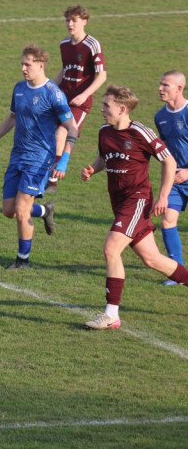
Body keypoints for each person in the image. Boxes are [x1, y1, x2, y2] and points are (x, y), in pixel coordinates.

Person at [80, 85, 188, 330]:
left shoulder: (141, 132)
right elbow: (103, 157)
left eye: (106, 105)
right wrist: (91, 169)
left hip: (137, 200)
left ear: (121, 108)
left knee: (111, 249)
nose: (101, 109)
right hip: (119, 204)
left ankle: (111, 314)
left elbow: (169, 161)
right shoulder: (104, 131)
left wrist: (163, 196)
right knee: (153, 259)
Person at [0, 44, 79, 269]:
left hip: (40, 158)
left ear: (41, 65)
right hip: (18, 155)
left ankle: (22, 260)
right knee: (9, 210)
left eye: (28, 64)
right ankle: (45, 211)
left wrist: (62, 160)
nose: (23, 68)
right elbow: (12, 117)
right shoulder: (19, 88)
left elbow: (71, 128)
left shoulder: (53, 93)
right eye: (22, 64)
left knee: (23, 208)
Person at [46, 5, 107, 192]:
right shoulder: (64, 44)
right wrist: (48, 88)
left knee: (62, 133)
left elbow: (101, 75)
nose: (70, 24)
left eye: (74, 20)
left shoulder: (92, 45)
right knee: (48, 134)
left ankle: (54, 179)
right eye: (67, 20)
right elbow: (65, 70)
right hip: (63, 96)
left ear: (84, 22)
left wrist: (84, 95)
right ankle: (45, 171)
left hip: (80, 102)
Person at [153, 71, 188, 286]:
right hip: (175, 179)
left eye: (165, 85)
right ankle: (178, 273)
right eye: (160, 83)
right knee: (167, 220)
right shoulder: (160, 116)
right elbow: (166, 152)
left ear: (179, 89)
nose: (160, 88)